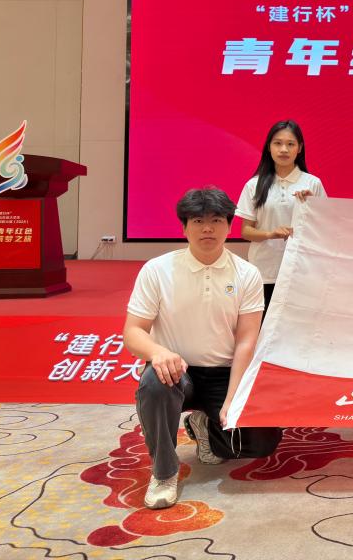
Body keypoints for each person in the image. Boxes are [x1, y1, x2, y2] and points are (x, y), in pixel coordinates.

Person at [124, 187, 282, 510]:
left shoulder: (247, 274)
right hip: (176, 369)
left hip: (223, 372)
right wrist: (157, 353)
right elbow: (133, 331)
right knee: (154, 383)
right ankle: (164, 473)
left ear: (229, 225)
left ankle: (205, 428)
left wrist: (234, 397)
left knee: (262, 442)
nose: (207, 228)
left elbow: (246, 340)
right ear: (184, 227)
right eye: (198, 221)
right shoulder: (157, 270)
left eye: (216, 220)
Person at [236, 120, 324, 312]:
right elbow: (246, 231)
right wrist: (271, 234)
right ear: (269, 147)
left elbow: (323, 231)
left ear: (299, 148)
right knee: (263, 326)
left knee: (299, 325)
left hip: (302, 270)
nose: (284, 149)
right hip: (264, 270)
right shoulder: (254, 185)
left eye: (290, 144)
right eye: (278, 143)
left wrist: (312, 206)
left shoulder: (313, 184)